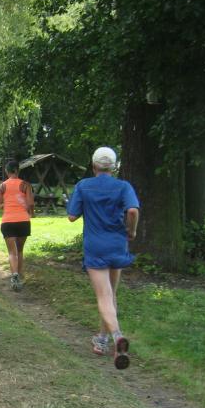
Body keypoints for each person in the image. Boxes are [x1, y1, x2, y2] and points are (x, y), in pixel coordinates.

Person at [67, 146, 140, 370]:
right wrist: (132, 231)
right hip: (117, 244)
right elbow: (133, 211)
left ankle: (117, 336)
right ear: (113, 167)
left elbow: (71, 216)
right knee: (111, 294)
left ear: (93, 165)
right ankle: (101, 338)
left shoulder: (83, 186)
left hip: (96, 246)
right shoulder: (123, 186)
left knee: (104, 296)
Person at [0, 160, 34, 291]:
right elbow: (30, 203)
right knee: (20, 250)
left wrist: (5, 205)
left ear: (7, 171)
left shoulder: (2, 186)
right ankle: (19, 277)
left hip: (8, 222)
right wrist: (32, 213)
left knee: (12, 252)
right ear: (18, 170)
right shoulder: (25, 185)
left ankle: (14, 275)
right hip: (23, 221)